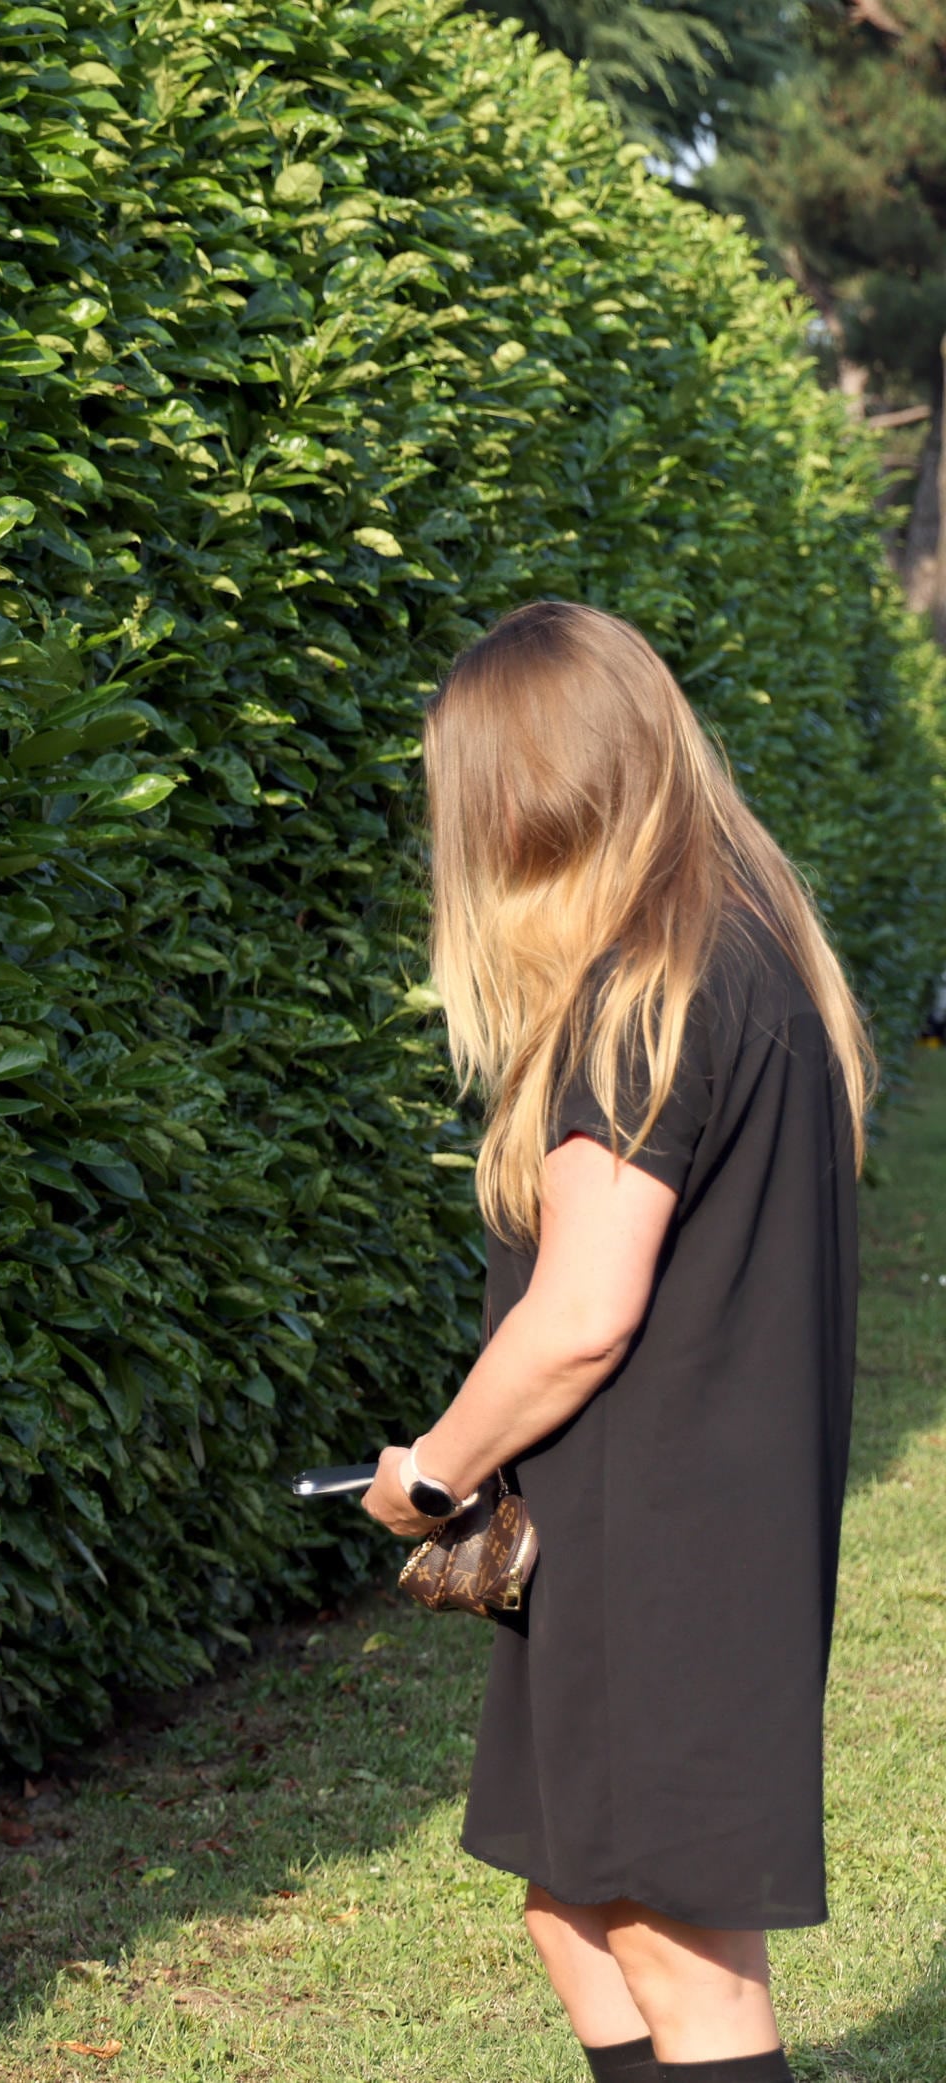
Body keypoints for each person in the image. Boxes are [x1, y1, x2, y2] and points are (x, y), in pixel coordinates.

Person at [366, 601, 868, 2083]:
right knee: (575, 1907)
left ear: (516, 798)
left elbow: (580, 1314)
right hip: (672, 1527)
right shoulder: (743, 942)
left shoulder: (639, 994)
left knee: (679, 1955)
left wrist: (434, 1473)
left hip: (673, 1542)